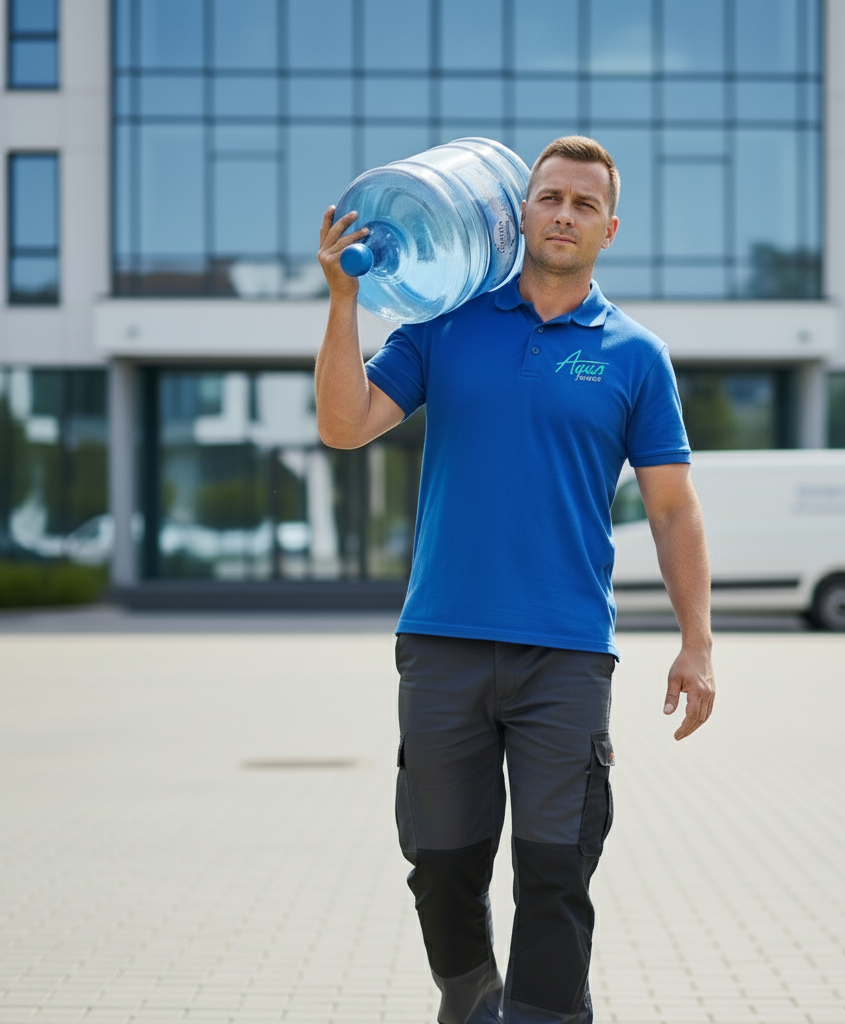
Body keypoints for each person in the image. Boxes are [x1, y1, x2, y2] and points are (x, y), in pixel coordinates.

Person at [315, 135, 715, 1024]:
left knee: (557, 862)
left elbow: (674, 510)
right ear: (518, 211)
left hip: (566, 654)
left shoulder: (634, 355)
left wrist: (697, 644)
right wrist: (344, 302)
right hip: (442, 640)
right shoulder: (443, 322)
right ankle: (470, 995)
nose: (564, 214)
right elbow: (344, 426)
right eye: (550, 198)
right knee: (443, 859)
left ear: (610, 228)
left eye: (583, 204)